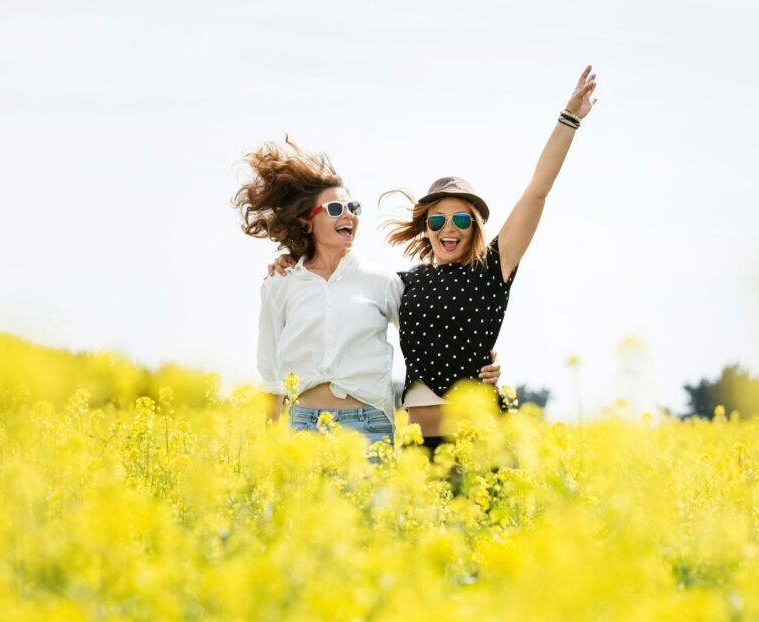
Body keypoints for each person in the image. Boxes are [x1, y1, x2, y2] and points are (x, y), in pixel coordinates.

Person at [235, 138, 500, 446]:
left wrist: (486, 362)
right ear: (308, 222)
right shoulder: (280, 283)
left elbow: (432, 332)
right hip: (303, 424)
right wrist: (268, 446)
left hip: (368, 425)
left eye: (352, 207)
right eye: (335, 208)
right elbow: (270, 372)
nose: (348, 214)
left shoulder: (382, 282)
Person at [386, 65, 597, 447]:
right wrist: (290, 263)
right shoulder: (401, 283)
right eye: (438, 219)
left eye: (461, 219)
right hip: (418, 449)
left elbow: (536, 193)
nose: (448, 228)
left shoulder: (491, 269)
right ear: (426, 226)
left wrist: (569, 119)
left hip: (482, 443)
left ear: (476, 227)